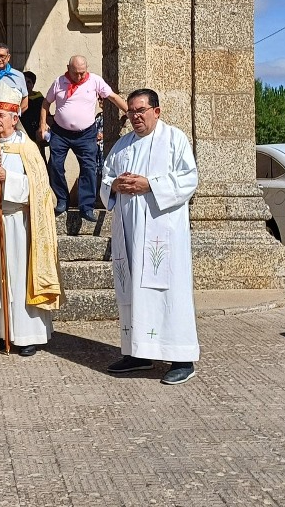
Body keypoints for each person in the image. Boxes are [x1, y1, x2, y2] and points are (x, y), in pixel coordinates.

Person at [99, 89, 199, 385]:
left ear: (157, 110)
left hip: (162, 234)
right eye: (130, 111)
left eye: (141, 110)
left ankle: (182, 358)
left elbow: (188, 178)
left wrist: (150, 184)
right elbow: (106, 178)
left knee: (168, 293)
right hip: (129, 232)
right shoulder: (122, 145)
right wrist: (115, 184)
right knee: (133, 291)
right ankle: (138, 353)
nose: (135, 116)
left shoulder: (174, 139)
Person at [0, 87, 61, 356]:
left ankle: (25, 335)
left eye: (1, 114)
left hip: (17, 221)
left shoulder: (28, 149)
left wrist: (8, 180)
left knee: (18, 276)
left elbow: (40, 188)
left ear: (14, 117)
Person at [40, 55, 129, 221]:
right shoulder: (59, 82)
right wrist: (42, 124)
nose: (79, 76)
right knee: (55, 165)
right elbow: (46, 103)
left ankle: (86, 206)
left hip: (86, 133)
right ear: (68, 68)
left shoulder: (95, 80)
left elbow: (113, 97)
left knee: (89, 168)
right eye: (75, 73)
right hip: (60, 133)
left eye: (82, 72)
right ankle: (62, 200)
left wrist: (129, 111)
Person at [20, 71, 44, 142]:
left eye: (28, 82)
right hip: (21, 132)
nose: (26, 85)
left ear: (33, 85)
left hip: (35, 133)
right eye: (24, 82)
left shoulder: (40, 100)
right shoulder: (17, 98)